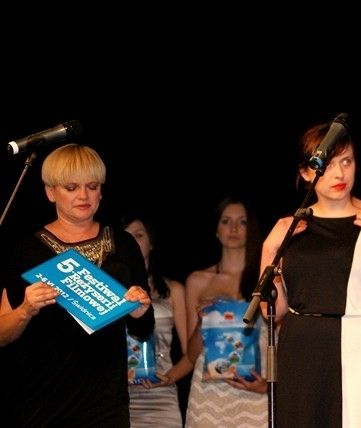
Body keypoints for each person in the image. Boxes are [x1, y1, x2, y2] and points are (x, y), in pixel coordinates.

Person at [260, 118, 361, 427]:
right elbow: (271, 311)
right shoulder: (290, 226)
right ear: (306, 172)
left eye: (346, 161)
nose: (340, 173)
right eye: (328, 165)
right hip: (302, 349)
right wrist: (268, 249)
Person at [0, 143, 153, 427]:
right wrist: (25, 310)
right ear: (50, 192)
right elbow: (2, 334)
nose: (83, 195)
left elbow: (144, 330)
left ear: (101, 191)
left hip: (106, 404)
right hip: (41, 404)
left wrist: (139, 310)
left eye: (92, 186)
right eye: (71, 187)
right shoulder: (27, 251)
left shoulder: (123, 244)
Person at [184, 196, 269, 428]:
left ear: (251, 229)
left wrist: (270, 385)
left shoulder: (268, 280)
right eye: (226, 221)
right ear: (216, 229)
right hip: (209, 395)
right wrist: (202, 322)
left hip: (256, 390)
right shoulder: (198, 281)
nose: (233, 228)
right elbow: (191, 355)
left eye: (242, 222)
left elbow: (282, 341)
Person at [123, 216, 188, 428]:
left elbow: (190, 353)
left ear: (151, 242)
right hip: (119, 397)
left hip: (162, 396)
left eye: (139, 235)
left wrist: (170, 377)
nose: (133, 241)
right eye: (126, 236)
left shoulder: (173, 290)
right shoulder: (109, 290)